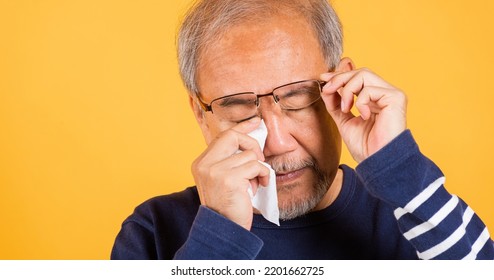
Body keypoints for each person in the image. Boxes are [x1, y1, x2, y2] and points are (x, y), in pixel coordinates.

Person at [111, 0, 493, 259]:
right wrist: (220, 236)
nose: (276, 143)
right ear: (200, 113)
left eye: (298, 97)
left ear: (343, 87)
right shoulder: (154, 233)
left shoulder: (414, 215)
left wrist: (399, 167)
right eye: (239, 107)